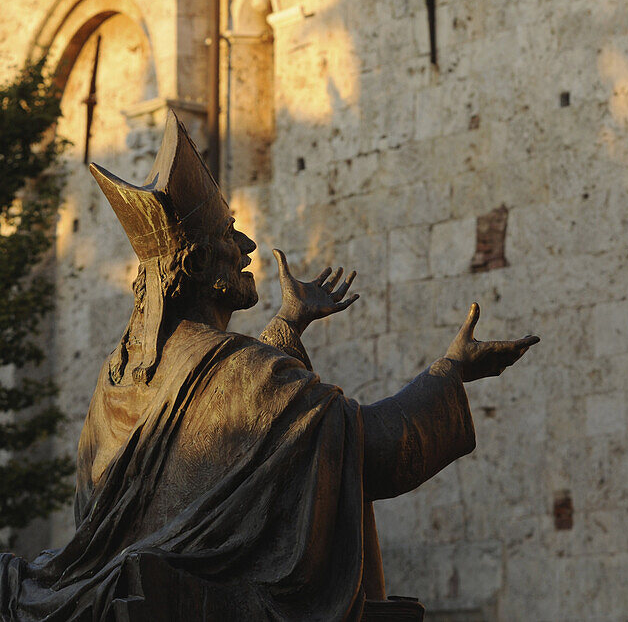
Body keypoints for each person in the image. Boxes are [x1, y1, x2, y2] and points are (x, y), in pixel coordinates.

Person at [0, 112, 538, 621]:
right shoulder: (243, 372)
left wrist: (285, 329)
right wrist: (452, 370)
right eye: (230, 235)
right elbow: (370, 449)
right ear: (197, 264)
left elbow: (238, 422)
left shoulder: (115, 384)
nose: (247, 245)